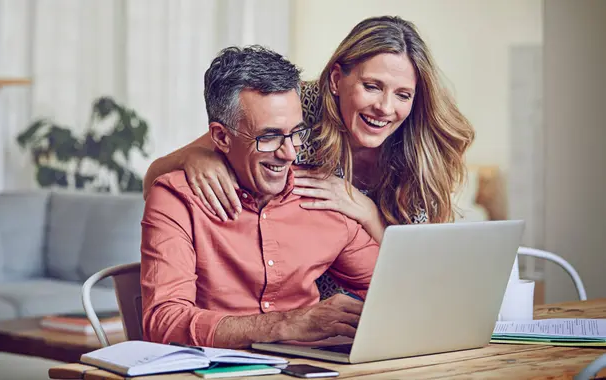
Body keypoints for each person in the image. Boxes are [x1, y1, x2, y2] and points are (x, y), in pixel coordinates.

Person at [142, 16, 475, 298]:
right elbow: (163, 172)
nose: (385, 108)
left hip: (382, 295)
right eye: (372, 86)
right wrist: (199, 157)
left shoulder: (421, 148)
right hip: (303, 304)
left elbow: (425, 276)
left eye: (403, 94)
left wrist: (367, 212)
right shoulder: (295, 107)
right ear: (335, 80)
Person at [141, 45, 380, 349]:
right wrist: (287, 324)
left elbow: (396, 290)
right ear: (221, 137)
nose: (290, 153)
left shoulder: (323, 199)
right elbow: (164, 323)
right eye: (269, 137)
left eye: (296, 133)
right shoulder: (177, 199)